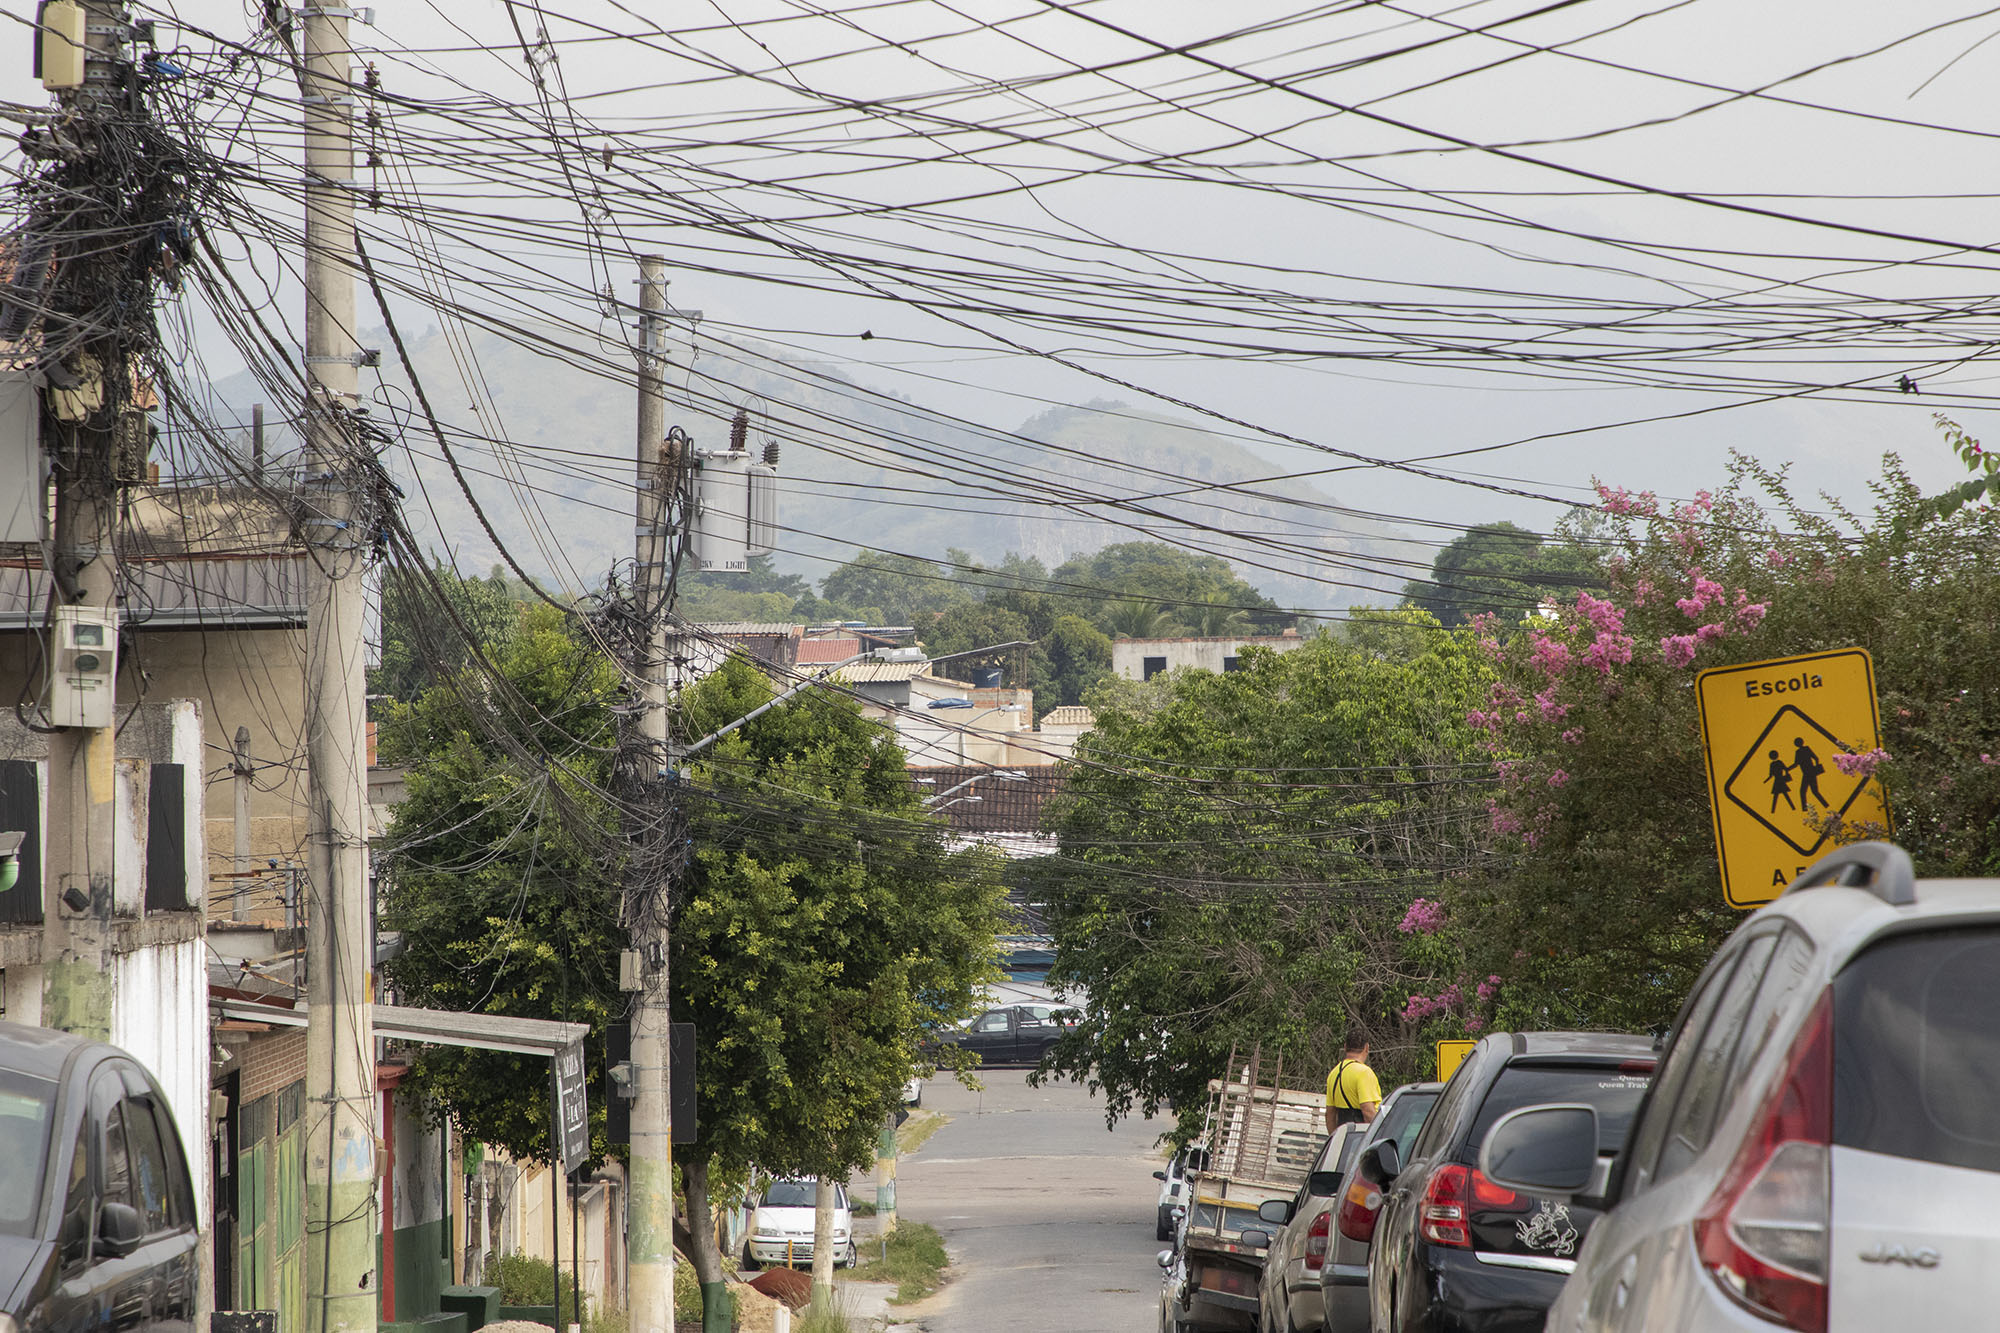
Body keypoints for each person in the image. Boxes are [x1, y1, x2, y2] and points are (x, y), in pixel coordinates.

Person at [1325, 1029, 1382, 1130]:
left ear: (1345, 1047)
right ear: (1366, 1047)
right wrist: (1377, 1134)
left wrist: (1334, 1137)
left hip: (1342, 1133)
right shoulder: (1364, 1073)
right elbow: (1367, 1111)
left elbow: (1330, 1114)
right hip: (1360, 1134)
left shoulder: (1334, 1073)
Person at [1765, 749, 1795, 813]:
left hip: (1778, 781)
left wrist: (1766, 780)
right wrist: (1765, 781)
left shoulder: (1773, 764)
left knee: (1778, 796)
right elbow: (1785, 769)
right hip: (1780, 780)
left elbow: (1771, 775)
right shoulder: (1778, 763)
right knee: (1782, 795)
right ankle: (1792, 807)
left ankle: (1773, 810)